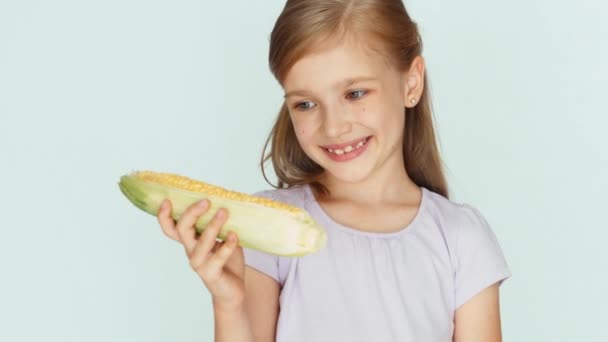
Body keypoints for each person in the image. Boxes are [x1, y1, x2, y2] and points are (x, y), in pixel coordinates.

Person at [156, 0, 512, 341]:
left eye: (355, 94)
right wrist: (229, 305)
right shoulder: (269, 226)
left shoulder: (460, 239)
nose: (333, 126)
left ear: (411, 83)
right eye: (306, 104)